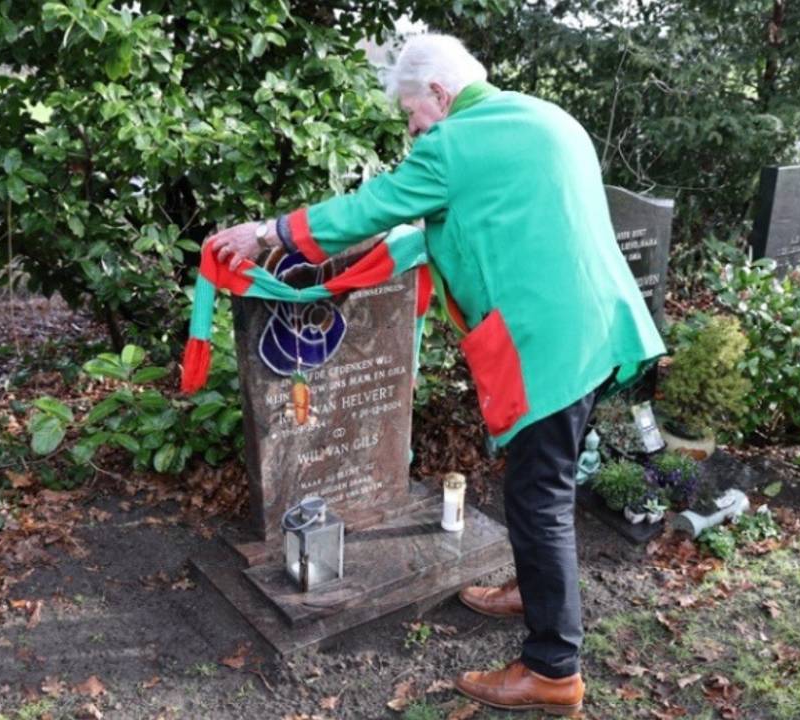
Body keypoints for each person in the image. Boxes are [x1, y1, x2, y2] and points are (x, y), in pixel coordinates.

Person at [206, 34, 664, 716]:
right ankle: (538, 595)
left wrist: (270, 232)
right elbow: (500, 217)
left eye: (414, 119)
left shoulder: (455, 143)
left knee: (537, 496)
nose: (413, 134)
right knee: (548, 482)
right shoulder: (544, 116)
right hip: (599, 331)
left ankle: (553, 669)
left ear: (442, 97)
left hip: (547, 346)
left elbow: (371, 207)